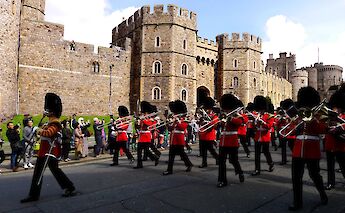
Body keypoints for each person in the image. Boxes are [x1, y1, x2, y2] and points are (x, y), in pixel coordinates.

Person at [21, 93, 75, 203]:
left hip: (50, 151)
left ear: (52, 111)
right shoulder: (48, 122)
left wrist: (38, 130)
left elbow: (48, 133)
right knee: (54, 171)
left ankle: (34, 195)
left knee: (38, 173)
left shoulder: (55, 123)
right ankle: (69, 186)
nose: (46, 111)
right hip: (44, 151)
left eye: (48, 109)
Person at [288, 87, 327, 211]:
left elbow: (323, 129)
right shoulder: (299, 112)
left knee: (315, 174)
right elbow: (293, 129)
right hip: (298, 147)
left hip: (312, 147)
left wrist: (314, 120)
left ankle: (322, 194)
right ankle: (297, 202)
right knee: (296, 177)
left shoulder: (320, 113)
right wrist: (296, 121)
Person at [163, 100, 193, 175]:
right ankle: (169, 170)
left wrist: (178, 121)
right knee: (171, 155)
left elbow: (183, 127)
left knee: (182, 154)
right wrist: (167, 124)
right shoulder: (175, 120)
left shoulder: (184, 120)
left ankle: (189, 164)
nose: (174, 114)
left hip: (179, 139)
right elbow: (171, 129)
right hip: (173, 139)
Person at [324, 89, 345, 190]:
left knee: (343, 165)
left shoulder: (343, 116)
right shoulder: (329, 116)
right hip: (330, 143)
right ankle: (330, 182)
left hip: (341, 144)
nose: (335, 109)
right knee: (330, 166)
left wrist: (339, 127)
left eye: (336, 107)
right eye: (334, 107)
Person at [251, 96, 275, 176]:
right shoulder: (257, 115)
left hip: (265, 137)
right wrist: (254, 123)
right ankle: (257, 169)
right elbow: (254, 127)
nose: (260, 111)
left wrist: (263, 123)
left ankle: (270, 163)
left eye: (261, 109)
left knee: (266, 152)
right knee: (257, 154)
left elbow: (269, 126)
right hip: (257, 137)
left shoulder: (269, 116)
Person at [134, 101, 159, 169]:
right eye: (143, 113)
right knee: (139, 151)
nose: (143, 114)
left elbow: (148, 124)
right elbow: (138, 127)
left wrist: (143, 119)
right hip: (141, 136)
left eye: (144, 113)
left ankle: (155, 158)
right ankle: (139, 164)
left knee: (146, 151)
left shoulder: (151, 120)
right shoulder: (143, 119)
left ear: (148, 113)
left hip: (147, 136)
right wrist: (137, 123)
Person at [198, 97, 219, 168]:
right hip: (203, 134)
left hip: (209, 135)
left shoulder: (214, 116)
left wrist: (208, 122)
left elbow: (215, 125)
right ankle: (204, 163)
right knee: (203, 151)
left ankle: (218, 158)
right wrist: (201, 120)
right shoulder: (204, 116)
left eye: (207, 108)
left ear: (210, 108)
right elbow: (200, 123)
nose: (206, 110)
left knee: (211, 150)